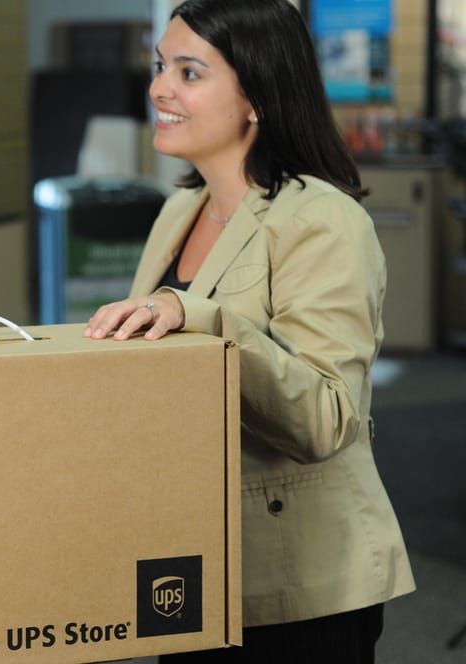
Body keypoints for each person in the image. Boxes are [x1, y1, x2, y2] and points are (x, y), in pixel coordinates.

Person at [84, 1, 415, 661]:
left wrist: (204, 320)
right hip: (193, 563)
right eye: (160, 66)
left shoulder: (322, 220)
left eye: (189, 72)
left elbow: (325, 420)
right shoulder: (180, 209)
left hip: (300, 583)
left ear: (257, 97)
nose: (159, 88)